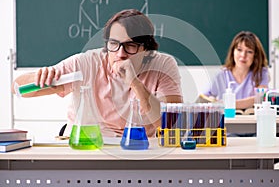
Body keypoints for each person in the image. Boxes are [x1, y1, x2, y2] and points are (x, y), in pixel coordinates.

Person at [12, 9, 183, 137]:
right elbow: (18, 88)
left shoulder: (163, 65)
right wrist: (39, 77)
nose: (120, 54)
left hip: (138, 148)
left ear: (146, 49)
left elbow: (171, 126)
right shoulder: (86, 63)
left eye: (130, 46)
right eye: (114, 44)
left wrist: (135, 84)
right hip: (87, 147)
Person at [200, 31, 269, 110]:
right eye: (239, 50)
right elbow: (204, 99)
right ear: (233, 51)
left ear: (255, 56)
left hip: (252, 120)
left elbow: (261, 98)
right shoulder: (221, 75)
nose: (243, 55)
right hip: (227, 120)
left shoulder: (261, 73)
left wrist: (227, 104)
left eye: (249, 52)